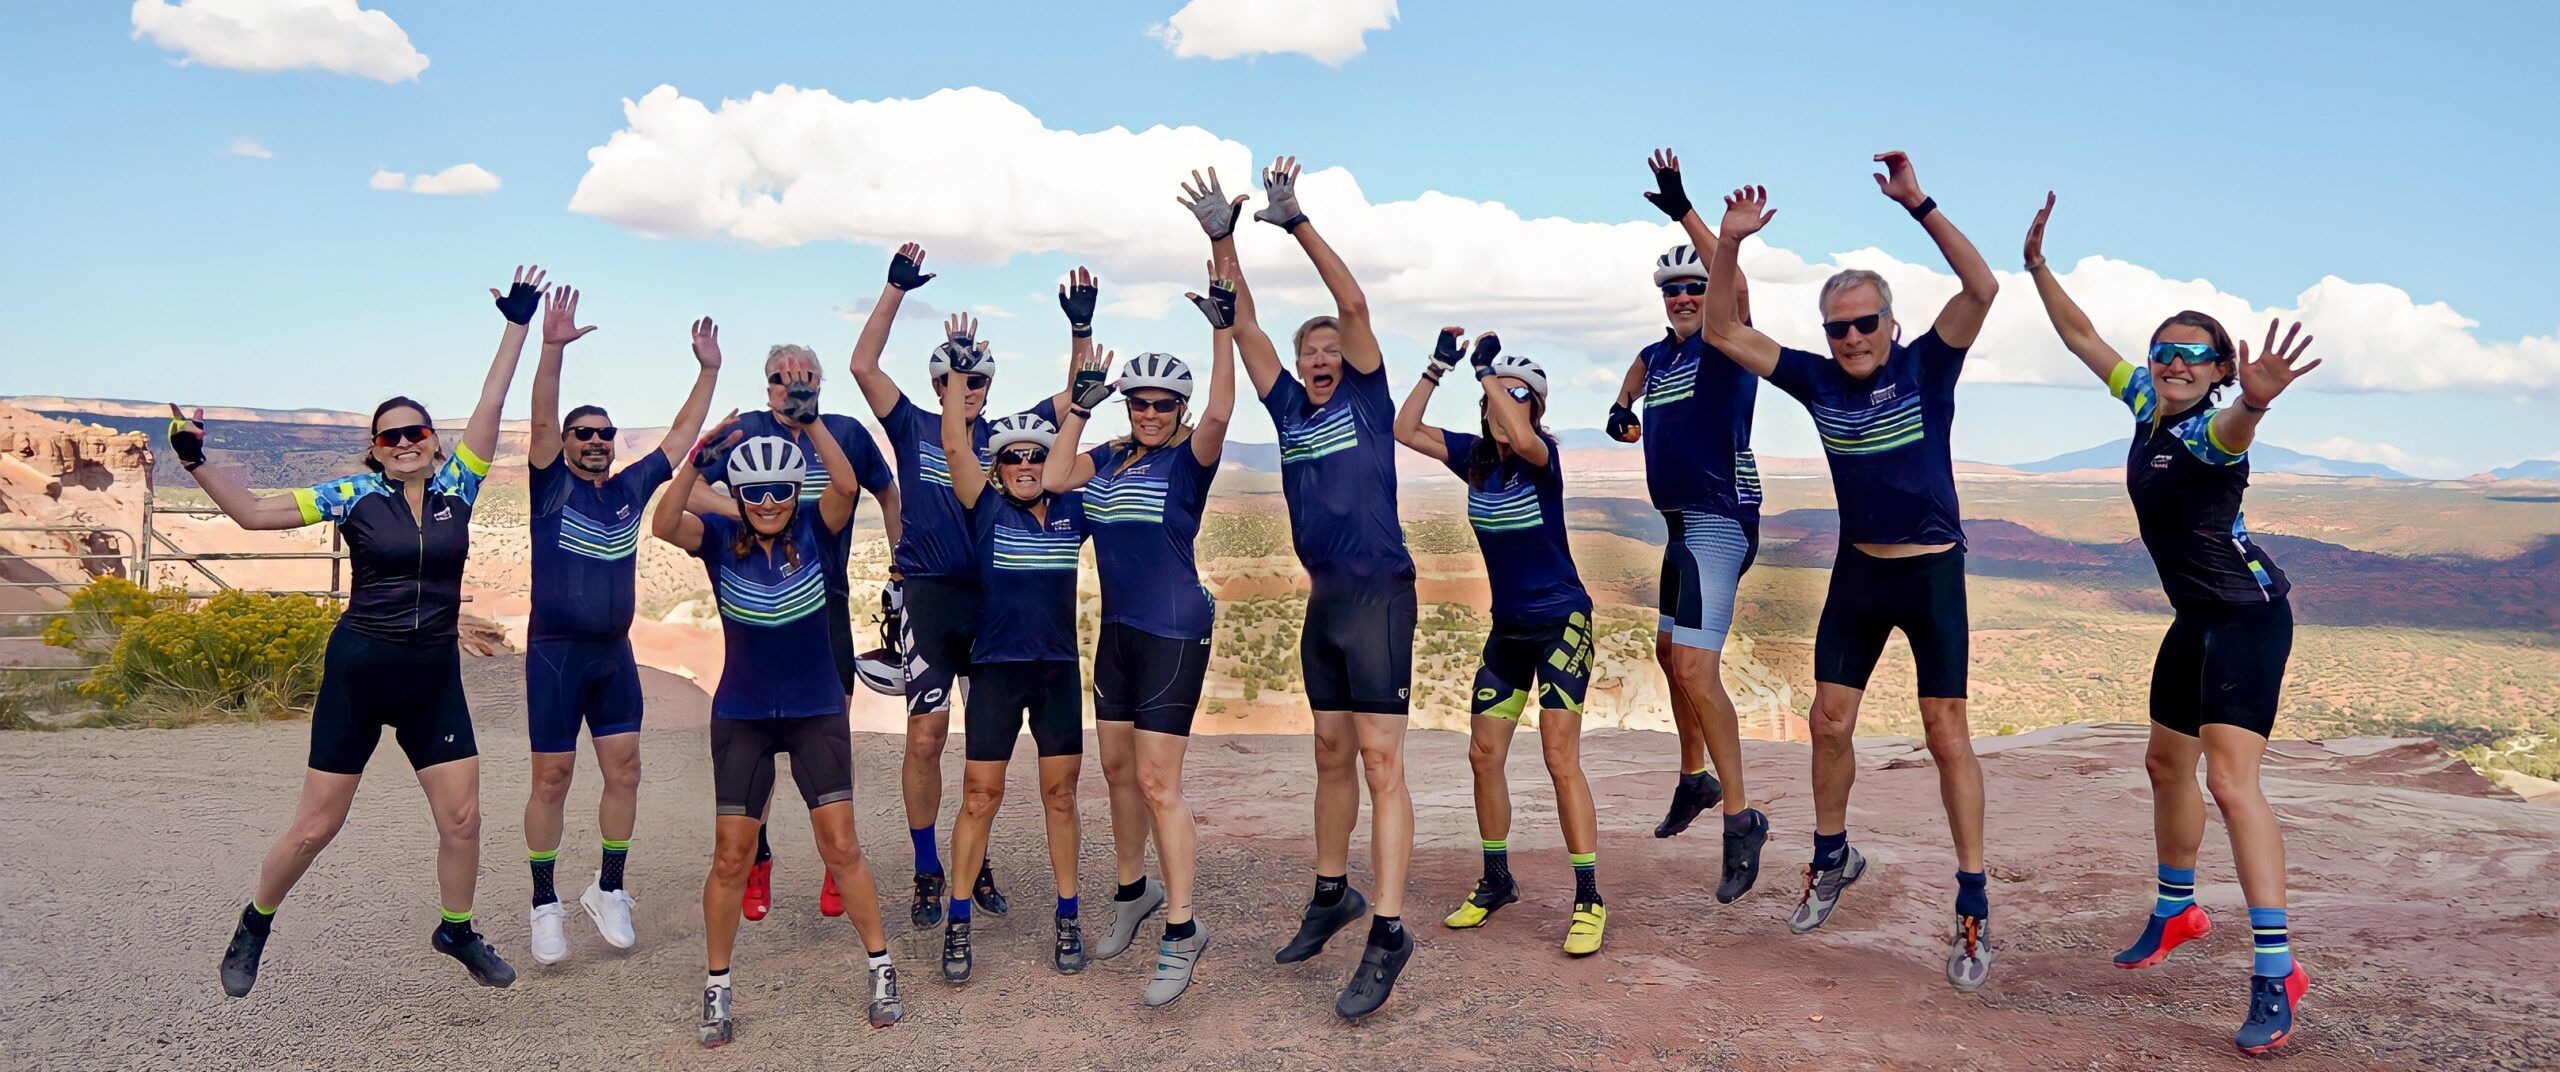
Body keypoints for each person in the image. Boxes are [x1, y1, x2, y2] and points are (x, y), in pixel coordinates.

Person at [186, 266, 547, 998]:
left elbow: (493, 400)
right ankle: (255, 922)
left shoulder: (460, 487)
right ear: (376, 449)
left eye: (417, 432)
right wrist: (194, 463)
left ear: (433, 442)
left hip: (431, 677)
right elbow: (253, 514)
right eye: (391, 436)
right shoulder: (350, 494)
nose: (406, 442)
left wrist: (516, 325)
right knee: (316, 827)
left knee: (465, 818)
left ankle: (457, 929)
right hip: (361, 669)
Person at [2023, 193, 2319, 1054]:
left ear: (2220, 369)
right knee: (2163, 763)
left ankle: (2276, 970)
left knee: (2230, 782)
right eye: (2163, 351)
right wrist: (2039, 268)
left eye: (2194, 355)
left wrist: (2256, 403)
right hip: (2194, 619)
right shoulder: (2144, 407)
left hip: (2249, 617)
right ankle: (2176, 909)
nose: (2173, 362)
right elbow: (2082, 339)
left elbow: (2232, 430)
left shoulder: (2209, 433)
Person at [1698, 156, 2002, 991]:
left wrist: (1921, 206)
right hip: (1860, 576)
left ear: (1891, 324)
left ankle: (1973, 903)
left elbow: (1981, 289)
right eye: (1838, 327)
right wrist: (1726, 244)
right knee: (1828, 722)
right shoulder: (1816, 378)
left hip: (1934, 574)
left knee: (1945, 736)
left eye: (1866, 322)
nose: (1853, 337)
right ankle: (1833, 859)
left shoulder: (1925, 368)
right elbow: (1724, 331)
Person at [1179, 156, 1418, 1019]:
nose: (1318, 358)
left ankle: (1388, 930)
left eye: (1327, 352)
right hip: (1326, 602)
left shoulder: (1364, 395)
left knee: (1381, 760)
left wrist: (1295, 222)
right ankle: (1332, 894)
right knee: (1328, 750)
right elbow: (1240, 325)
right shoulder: (1287, 410)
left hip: (1382, 596)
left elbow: (1353, 307)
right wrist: (1221, 240)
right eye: (1308, 351)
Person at [651, 351, 902, 1046]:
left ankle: (881, 967)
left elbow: (849, 488)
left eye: (778, 493)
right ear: (739, 495)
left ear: (794, 493)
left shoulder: (815, 534)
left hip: (816, 705)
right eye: (753, 494)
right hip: (742, 715)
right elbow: (663, 524)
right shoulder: (722, 538)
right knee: (731, 855)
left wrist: (812, 421)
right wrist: (699, 458)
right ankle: (717, 987)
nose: (766, 504)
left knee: (841, 844)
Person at [847, 244, 1071, 929]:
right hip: (929, 594)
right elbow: (862, 366)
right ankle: (925, 866)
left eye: (976, 381)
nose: (966, 388)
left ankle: (977, 862)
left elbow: (1080, 391)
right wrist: (895, 290)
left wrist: (1079, 330)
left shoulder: (1011, 439)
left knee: (987, 744)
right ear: (937, 380)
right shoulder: (911, 423)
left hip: (994, 601)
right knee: (925, 737)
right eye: (954, 377)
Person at [1039, 260, 1240, 1005]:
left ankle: (1184, 930)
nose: (1149, 412)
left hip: (1172, 632)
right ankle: (1134, 892)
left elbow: (1221, 413)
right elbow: (1056, 479)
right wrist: (1083, 409)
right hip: (1118, 633)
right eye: (1140, 402)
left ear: (1177, 408)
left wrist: (1223, 332)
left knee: (1159, 782)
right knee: (1118, 773)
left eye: (1162, 404)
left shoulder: (1189, 462)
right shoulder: (1113, 458)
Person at [518, 285, 718, 964]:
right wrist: (550, 351)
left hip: (612, 656)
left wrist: (708, 371)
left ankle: (609, 889)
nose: (598, 441)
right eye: (586, 434)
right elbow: (541, 420)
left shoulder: (628, 491)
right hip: (554, 656)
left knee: (624, 771)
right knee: (552, 778)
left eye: (606, 433)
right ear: (567, 444)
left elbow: (679, 442)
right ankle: (544, 903)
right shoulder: (551, 484)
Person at [1394, 330, 1609, 957]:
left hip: (1562, 623)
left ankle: (1589, 896)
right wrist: (1439, 365)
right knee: (1484, 755)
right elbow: (1406, 429)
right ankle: (1496, 879)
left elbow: (1518, 434)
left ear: (1535, 408)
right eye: (1497, 393)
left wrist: (1492, 372)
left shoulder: (1541, 458)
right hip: (1509, 629)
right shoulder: (1474, 459)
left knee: (1559, 757)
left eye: (1520, 395)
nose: (1503, 402)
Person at [688, 331, 901, 923]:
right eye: (783, 376)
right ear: (767, 386)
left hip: (822, 599)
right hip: (749, 591)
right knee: (754, 744)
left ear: (819, 383)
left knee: (827, 730)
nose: (794, 384)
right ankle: (756, 858)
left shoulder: (846, 432)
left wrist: (901, 561)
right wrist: (755, 517)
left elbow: (879, 493)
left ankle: (838, 863)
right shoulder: (745, 429)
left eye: (805, 376)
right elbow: (695, 490)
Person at [1611, 148, 1774, 902]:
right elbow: (1640, 369)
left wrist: (1689, 212)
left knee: (1696, 671)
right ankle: (1693, 778)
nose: (1684, 298)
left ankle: (1741, 819)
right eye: (1674, 289)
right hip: (1678, 527)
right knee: (1667, 650)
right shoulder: (1661, 353)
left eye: (1692, 288)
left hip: (1718, 523)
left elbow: (1733, 288)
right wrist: (1620, 407)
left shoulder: (1722, 344)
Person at [935, 366, 1087, 984]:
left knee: (1061, 797)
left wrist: (1082, 368)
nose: (1025, 463)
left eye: (1036, 455)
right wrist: (953, 379)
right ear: (996, 468)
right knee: (979, 798)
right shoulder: (986, 509)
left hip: (1057, 674)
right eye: (1013, 457)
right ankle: (959, 919)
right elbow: (952, 445)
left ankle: (1069, 914)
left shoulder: (1076, 511)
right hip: (996, 672)